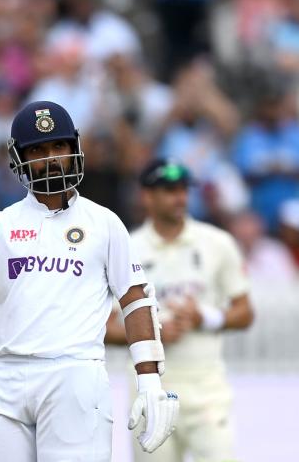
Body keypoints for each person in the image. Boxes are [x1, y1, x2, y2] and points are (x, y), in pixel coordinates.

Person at [0, 101, 179, 461]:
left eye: (59, 147)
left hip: (75, 373)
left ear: (74, 149)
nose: (50, 158)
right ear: (19, 158)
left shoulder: (104, 222)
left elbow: (136, 299)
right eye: (37, 150)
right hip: (8, 376)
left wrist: (150, 381)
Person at [105, 158, 254, 462]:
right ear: (147, 196)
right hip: (151, 388)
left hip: (207, 388)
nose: (181, 197)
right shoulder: (127, 248)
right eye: (169, 190)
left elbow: (245, 312)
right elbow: (104, 327)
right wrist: (150, 335)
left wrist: (206, 317)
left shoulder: (217, 243)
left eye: (184, 189)